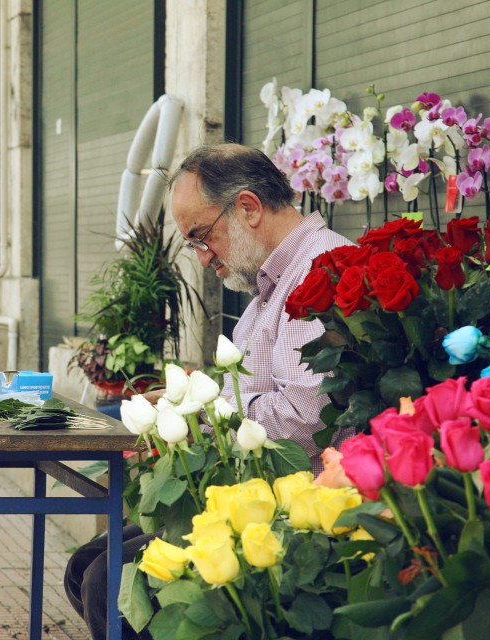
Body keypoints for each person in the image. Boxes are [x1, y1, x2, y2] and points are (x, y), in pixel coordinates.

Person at [64, 143, 355, 640]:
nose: (202, 258)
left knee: (104, 580)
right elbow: (244, 387)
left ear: (247, 207)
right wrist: (182, 401)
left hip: (296, 503)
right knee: (88, 565)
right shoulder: (271, 278)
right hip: (249, 491)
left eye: (202, 237)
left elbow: (306, 420)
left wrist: (203, 414)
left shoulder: (320, 271)